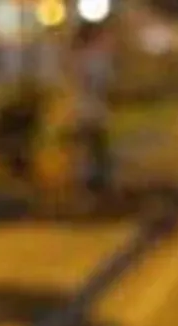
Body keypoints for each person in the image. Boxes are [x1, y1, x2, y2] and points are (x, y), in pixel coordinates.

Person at [70, 22, 116, 196]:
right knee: (95, 147)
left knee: (90, 147)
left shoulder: (78, 57)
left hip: (84, 111)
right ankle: (94, 183)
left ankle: (89, 181)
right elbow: (104, 83)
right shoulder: (95, 59)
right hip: (92, 113)